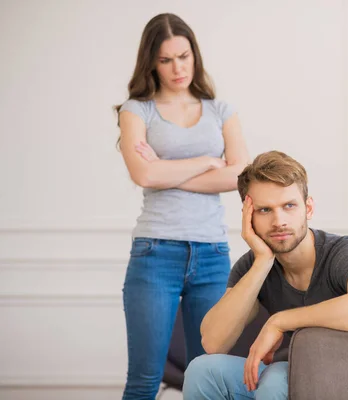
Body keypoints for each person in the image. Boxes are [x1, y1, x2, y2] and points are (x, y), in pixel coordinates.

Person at [182, 151, 348, 399]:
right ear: (249, 216)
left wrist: (280, 320)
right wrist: (263, 262)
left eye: (289, 206)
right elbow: (214, 342)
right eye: (265, 210)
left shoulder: (345, 252)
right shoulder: (254, 265)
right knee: (203, 371)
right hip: (309, 374)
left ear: (308, 208)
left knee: (278, 378)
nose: (279, 221)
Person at [114, 13, 249, 400]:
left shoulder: (221, 110)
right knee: (144, 378)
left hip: (211, 254)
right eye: (166, 59)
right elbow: (143, 175)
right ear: (151, 63)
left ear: (195, 55)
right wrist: (208, 162)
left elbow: (240, 176)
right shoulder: (137, 110)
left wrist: (163, 168)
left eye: (184, 56)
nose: (178, 68)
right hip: (155, 252)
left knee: (206, 375)